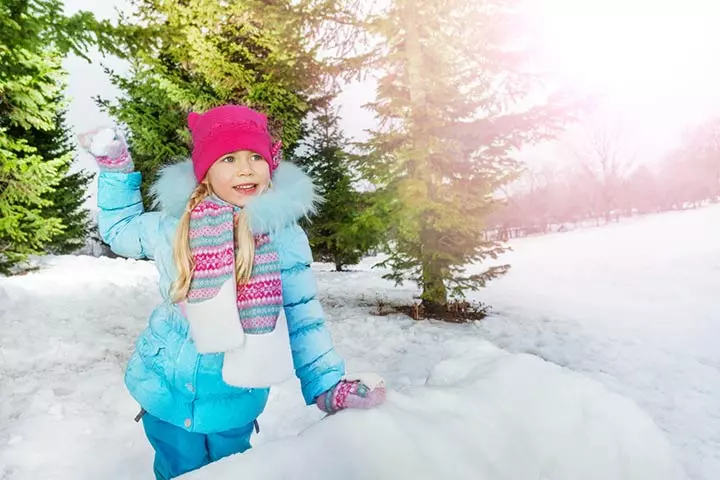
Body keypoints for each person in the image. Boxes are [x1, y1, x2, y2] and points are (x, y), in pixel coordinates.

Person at [79, 104, 386, 480]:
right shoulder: (175, 226)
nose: (245, 168)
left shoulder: (281, 235)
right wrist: (116, 170)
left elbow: (303, 316)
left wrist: (326, 386)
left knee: (231, 471)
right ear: (205, 172)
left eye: (255, 156)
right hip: (167, 394)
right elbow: (120, 229)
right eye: (228, 158)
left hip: (234, 399)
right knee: (176, 470)